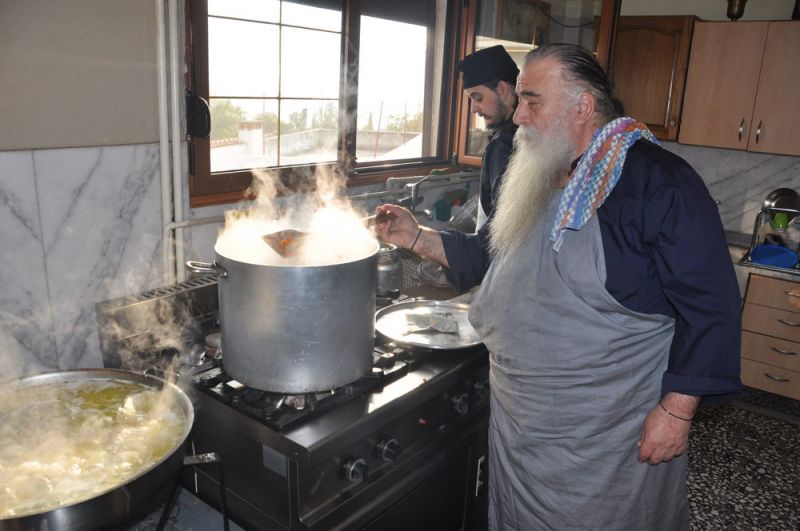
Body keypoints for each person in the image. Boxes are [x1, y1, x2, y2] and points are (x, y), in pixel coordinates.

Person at [376, 43, 742, 530]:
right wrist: (417, 236)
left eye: (533, 101)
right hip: (522, 423)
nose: (520, 117)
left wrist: (676, 414)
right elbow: (492, 256)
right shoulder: (537, 171)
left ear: (583, 106)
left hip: (604, 436)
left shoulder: (659, 183)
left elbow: (713, 307)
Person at [457, 45, 519, 230]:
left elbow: (502, 223)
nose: (474, 109)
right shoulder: (527, 133)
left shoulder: (503, 143)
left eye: (478, 97)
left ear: (503, 89)